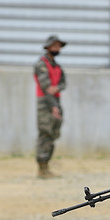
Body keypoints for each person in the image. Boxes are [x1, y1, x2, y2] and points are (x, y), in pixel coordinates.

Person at [34, 34, 66, 178]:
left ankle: (47, 166)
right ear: (48, 47)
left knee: (53, 134)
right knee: (45, 133)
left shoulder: (57, 66)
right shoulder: (41, 64)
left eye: (58, 46)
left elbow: (63, 83)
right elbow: (46, 87)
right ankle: (42, 167)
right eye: (54, 46)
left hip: (56, 101)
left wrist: (56, 89)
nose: (57, 48)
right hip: (45, 103)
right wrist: (53, 106)